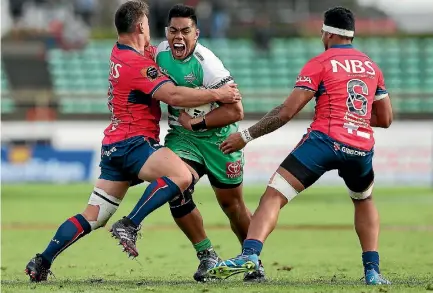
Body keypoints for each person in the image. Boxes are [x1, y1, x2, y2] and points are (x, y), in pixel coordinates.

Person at [24, 0, 240, 282]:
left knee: (95, 215)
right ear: (140, 25)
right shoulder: (136, 63)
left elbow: (155, 54)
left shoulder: (123, 53)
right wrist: (217, 94)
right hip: (134, 143)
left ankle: (41, 261)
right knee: (182, 176)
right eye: (148, 23)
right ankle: (130, 223)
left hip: (113, 148)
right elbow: (173, 96)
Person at [208, 7, 393, 285]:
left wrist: (245, 136)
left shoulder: (320, 63)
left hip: (324, 141)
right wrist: (352, 118)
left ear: (328, 33)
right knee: (363, 199)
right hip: (360, 147)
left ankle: (250, 254)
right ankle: (372, 272)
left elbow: (285, 112)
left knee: (274, 195)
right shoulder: (371, 67)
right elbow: (385, 118)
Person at [110, 4, 264, 283]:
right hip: (184, 139)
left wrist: (199, 122)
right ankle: (207, 255)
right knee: (177, 186)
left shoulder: (209, 65)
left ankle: (253, 260)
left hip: (219, 141)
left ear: (197, 34)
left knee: (232, 205)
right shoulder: (157, 54)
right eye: (173, 31)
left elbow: (236, 111)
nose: (178, 37)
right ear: (166, 32)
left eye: (185, 31)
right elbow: (131, 55)